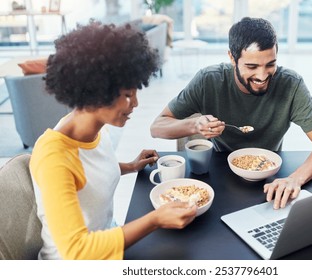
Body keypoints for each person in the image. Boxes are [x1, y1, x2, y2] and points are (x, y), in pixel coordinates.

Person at [29, 20, 197, 260]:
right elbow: (77, 251)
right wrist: (154, 220)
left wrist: (130, 166)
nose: (135, 103)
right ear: (98, 91)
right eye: (128, 95)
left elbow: (86, 176)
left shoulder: (93, 130)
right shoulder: (53, 157)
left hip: (110, 244)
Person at [150, 17, 312, 209]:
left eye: (270, 64)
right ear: (232, 58)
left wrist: (295, 179)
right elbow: (157, 127)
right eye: (252, 67)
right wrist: (193, 125)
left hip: (272, 180)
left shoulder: (291, 84)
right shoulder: (208, 81)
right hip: (220, 177)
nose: (263, 76)